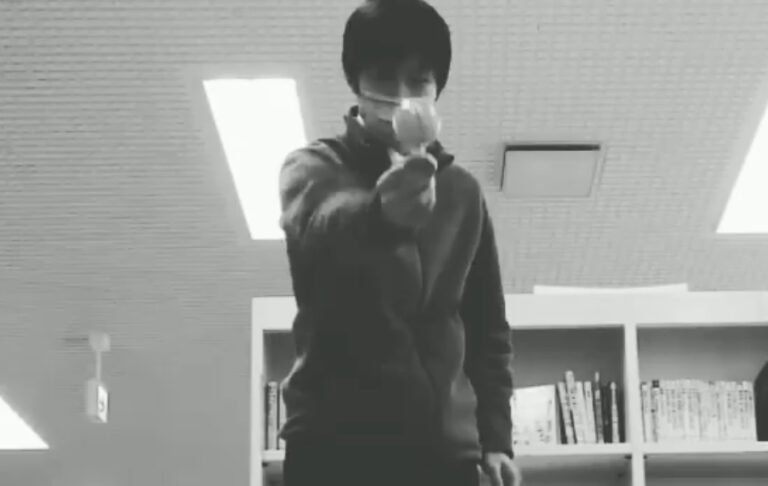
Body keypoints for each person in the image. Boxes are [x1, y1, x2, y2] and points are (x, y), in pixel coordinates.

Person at [277, 1, 521, 485]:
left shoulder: (463, 192)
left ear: (437, 88)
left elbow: (486, 325)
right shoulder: (313, 167)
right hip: (334, 444)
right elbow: (320, 232)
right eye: (384, 78)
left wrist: (496, 438)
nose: (402, 96)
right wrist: (379, 216)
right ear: (356, 82)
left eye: (418, 81)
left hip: (445, 453)